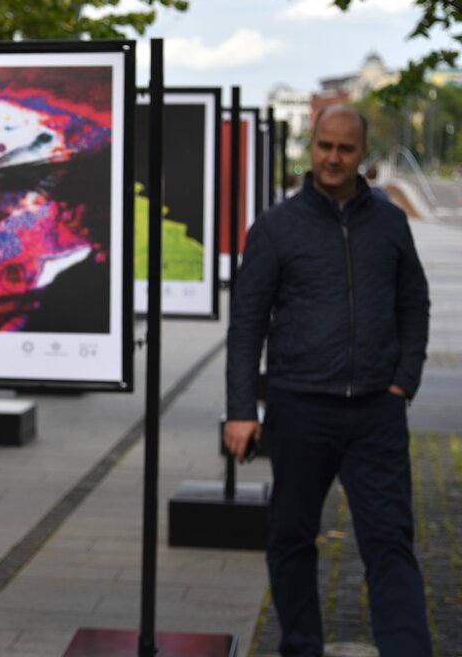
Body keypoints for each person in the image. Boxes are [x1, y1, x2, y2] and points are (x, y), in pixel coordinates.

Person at [224, 104, 431, 656]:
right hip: (298, 409)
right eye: (324, 146)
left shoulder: (389, 223)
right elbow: (246, 324)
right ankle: (302, 646)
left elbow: (414, 304)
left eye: (345, 148)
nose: (333, 158)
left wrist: (402, 381)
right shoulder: (274, 228)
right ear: (310, 147)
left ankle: (408, 649)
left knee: (390, 541)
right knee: (291, 539)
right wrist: (241, 410)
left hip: (376, 413)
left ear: (363, 154)